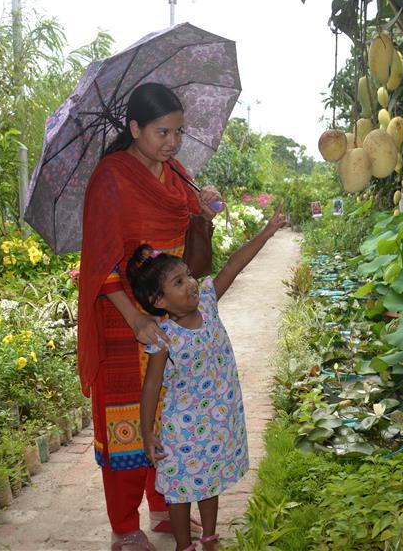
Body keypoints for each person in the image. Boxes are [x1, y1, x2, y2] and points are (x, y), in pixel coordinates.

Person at [77, 82, 224, 551]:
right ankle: (124, 526)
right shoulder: (110, 178)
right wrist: (136, 319)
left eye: (178, 132)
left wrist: (203, 212)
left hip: (169, 312)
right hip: (121, 315)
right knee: (126, 423)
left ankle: (164, 504)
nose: (172, 143)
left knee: (171, 416)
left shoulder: (178, 175)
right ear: (134, 127)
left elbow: (191, 258)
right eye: (163, 132)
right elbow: (100, 260)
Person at [129, 202, 286, 551]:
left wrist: (268, 230)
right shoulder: (164, 336)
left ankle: (210, 538)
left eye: (189, 275)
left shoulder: (209, 304)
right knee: (180, 488)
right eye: (179, 281)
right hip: (183, 427)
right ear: (159, 300)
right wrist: (146, 430)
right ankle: (184, 545)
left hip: (218, 418)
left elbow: (234, 264)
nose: (192, 284)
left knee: (209, 480)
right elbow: (152, 385)